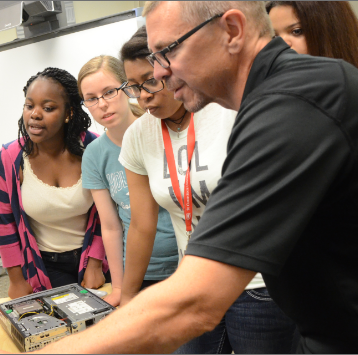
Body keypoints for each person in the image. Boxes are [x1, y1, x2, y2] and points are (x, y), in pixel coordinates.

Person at [0, 2, 358, 353]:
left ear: (231, 30)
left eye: (166, 52)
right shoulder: (271, 100)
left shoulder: (295, 105)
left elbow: (195, 301)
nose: (157, 73)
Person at [118, 25, 298, 353]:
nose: (143, 95)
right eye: (132, 87)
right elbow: (142, 225)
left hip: (255, 282)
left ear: (171, 69)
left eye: (150, 80)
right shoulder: (138, 136)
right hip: (194, 284)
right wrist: (128, 297)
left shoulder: (227, 110)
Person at [0, 67, 109, 300]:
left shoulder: (93, 148)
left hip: (98, 258)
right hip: (45, 265)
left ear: (68, 113)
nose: (34, 114)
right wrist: (16, 280)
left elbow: (107, 213)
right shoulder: (8, 159)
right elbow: (4, 225)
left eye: (48, 108)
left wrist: (95, 263)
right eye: (29, 105)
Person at [78, 55, 177, 307]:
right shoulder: (94, 154)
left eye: (109, 92)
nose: (102, 104)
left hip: (184, 263)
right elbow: (111, 227)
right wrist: (120, 287)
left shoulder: (160, 129)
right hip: (139, 272)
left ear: (127, 88)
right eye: (91, 98)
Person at [267, 1, 358, 108]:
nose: (282, 44)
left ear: (330, 34)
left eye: (297, 31)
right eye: (275, 37)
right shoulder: (274, 99)